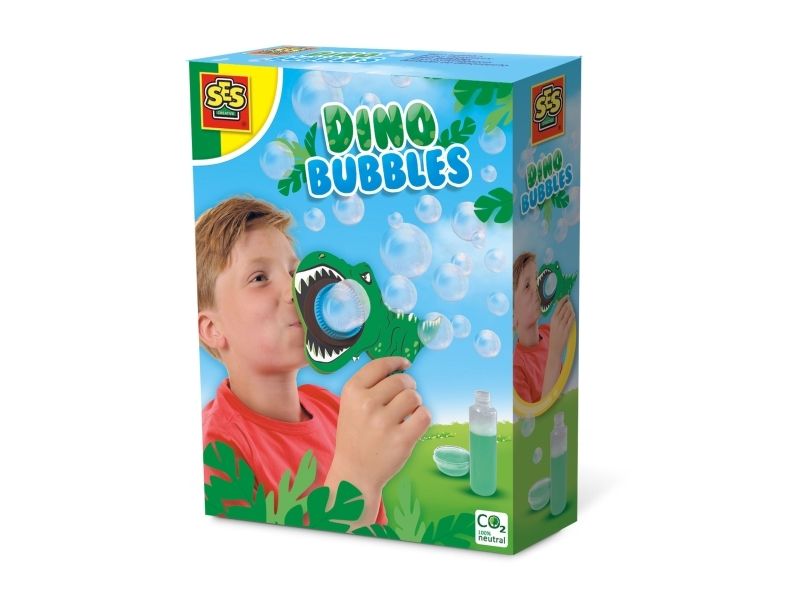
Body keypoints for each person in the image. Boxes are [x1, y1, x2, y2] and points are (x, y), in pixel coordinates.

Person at [196, 196, 431, 529]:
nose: (294, 290)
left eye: (294, 271)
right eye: (259, 278)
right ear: (212, 329)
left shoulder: (332, 407)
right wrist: (357, 476)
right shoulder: (214, 450)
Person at [512, 252, 575, 403]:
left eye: (536, 278)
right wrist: (554, 353)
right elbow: (537, 415)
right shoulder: (516, 370)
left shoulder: (550, 330)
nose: (536, 288)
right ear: (513, 316)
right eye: (527, 285)